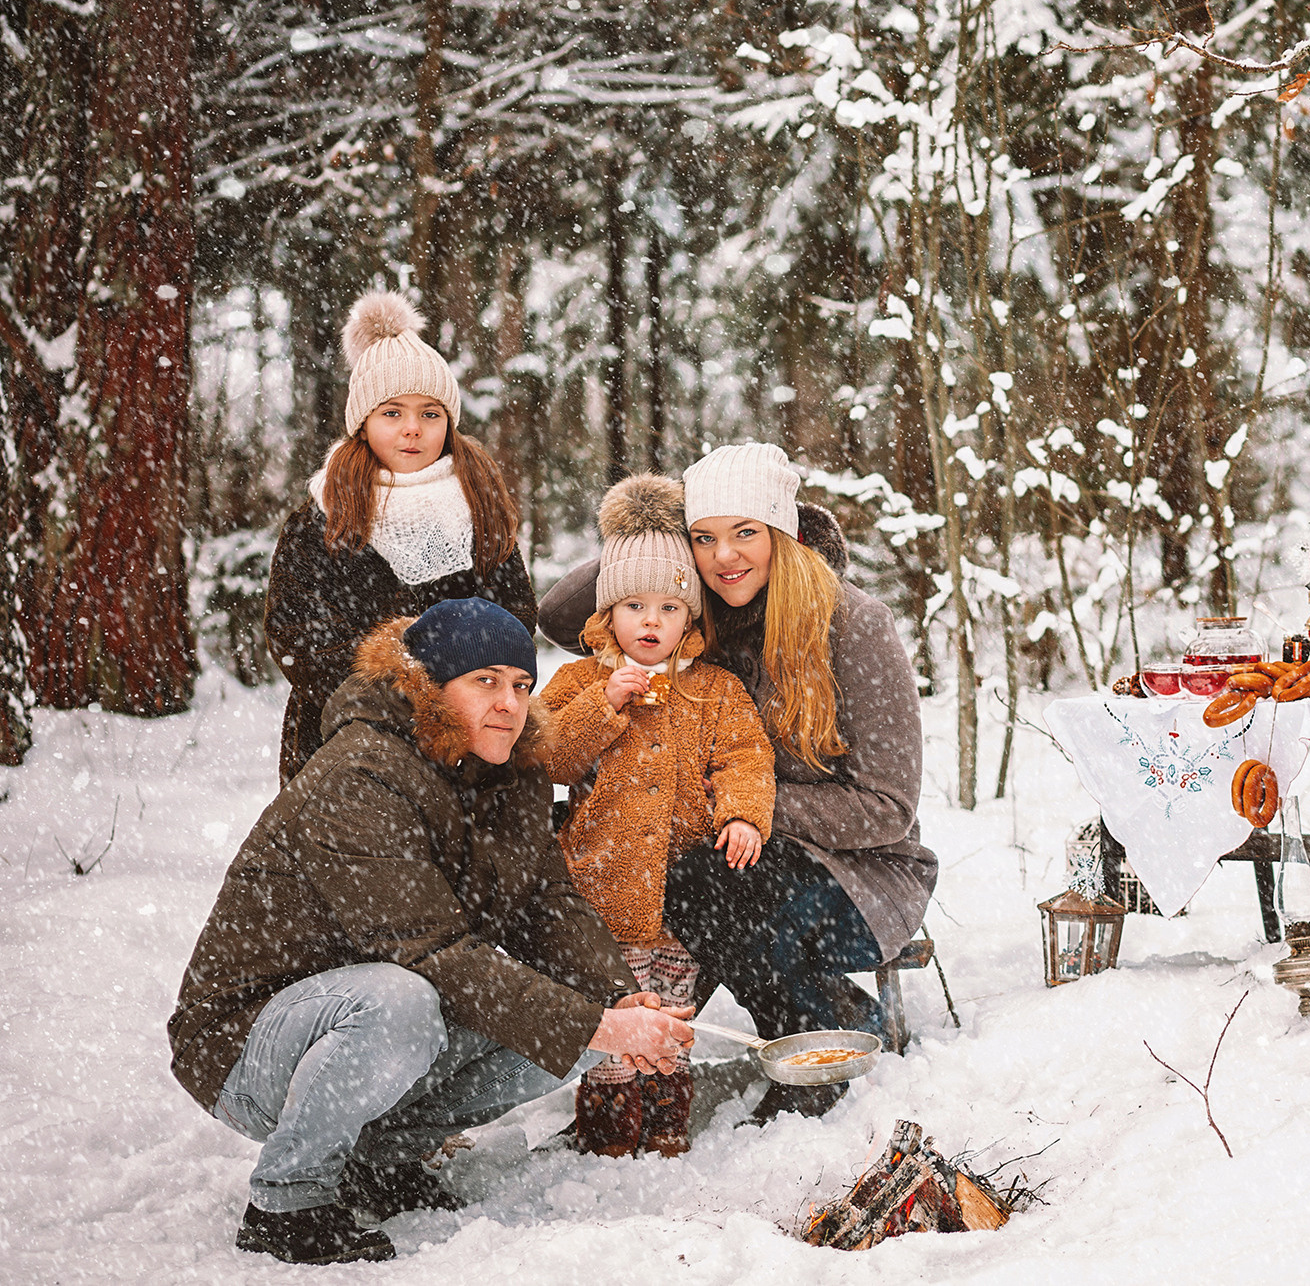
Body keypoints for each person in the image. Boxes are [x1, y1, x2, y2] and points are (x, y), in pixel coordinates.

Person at [169, 598, 695, 1266]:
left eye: (521, 684)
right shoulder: (361, 772)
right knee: (405, 999)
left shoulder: (512, 774)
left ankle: (380, 1160)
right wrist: (599, 1025)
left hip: (372, 1023)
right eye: (485, 680)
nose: (508, 701)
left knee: (574, 1007)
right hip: (247, 1042)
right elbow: (434, 956)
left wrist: (620, 1000)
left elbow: (550, 903)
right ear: (431, 686)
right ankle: (288, 1199)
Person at [538, 443, 935, 1122]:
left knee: (710, 881)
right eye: (706, 538)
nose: (725, 556)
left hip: (863, 876)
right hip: (731, 858)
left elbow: (888, 808)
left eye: (746, 532)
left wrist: (747, 803)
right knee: (667, 873)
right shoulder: (696, 616)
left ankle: (810, 1056)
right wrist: (651, 529)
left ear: (782, 530)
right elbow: (556, 615)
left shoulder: (855, 623)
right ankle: (643, 1070)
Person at [540, 473, 776, 1158]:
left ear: (690, 618)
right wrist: (601, 707)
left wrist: (742, 817)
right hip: (602, 890)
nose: (651, 622)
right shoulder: (581, 682)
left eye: (670, 607)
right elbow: (545, 754)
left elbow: (745, 757)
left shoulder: (714, 689)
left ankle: (667, 1126)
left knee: (670, 1017)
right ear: (606, 613)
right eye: (634, 605)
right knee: (617, 1022)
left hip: (681, 895)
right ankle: (609, 1135)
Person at [264, 290, 536, 786]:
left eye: (430, 413)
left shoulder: (478, 505)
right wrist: (394, 687)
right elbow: (294, 631)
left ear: (448, 423)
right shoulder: (322, 515)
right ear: (363, 424)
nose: (412, 429)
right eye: (392, 412)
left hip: (468, 735)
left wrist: (461, 691)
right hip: (348, 734)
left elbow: (514, 612)